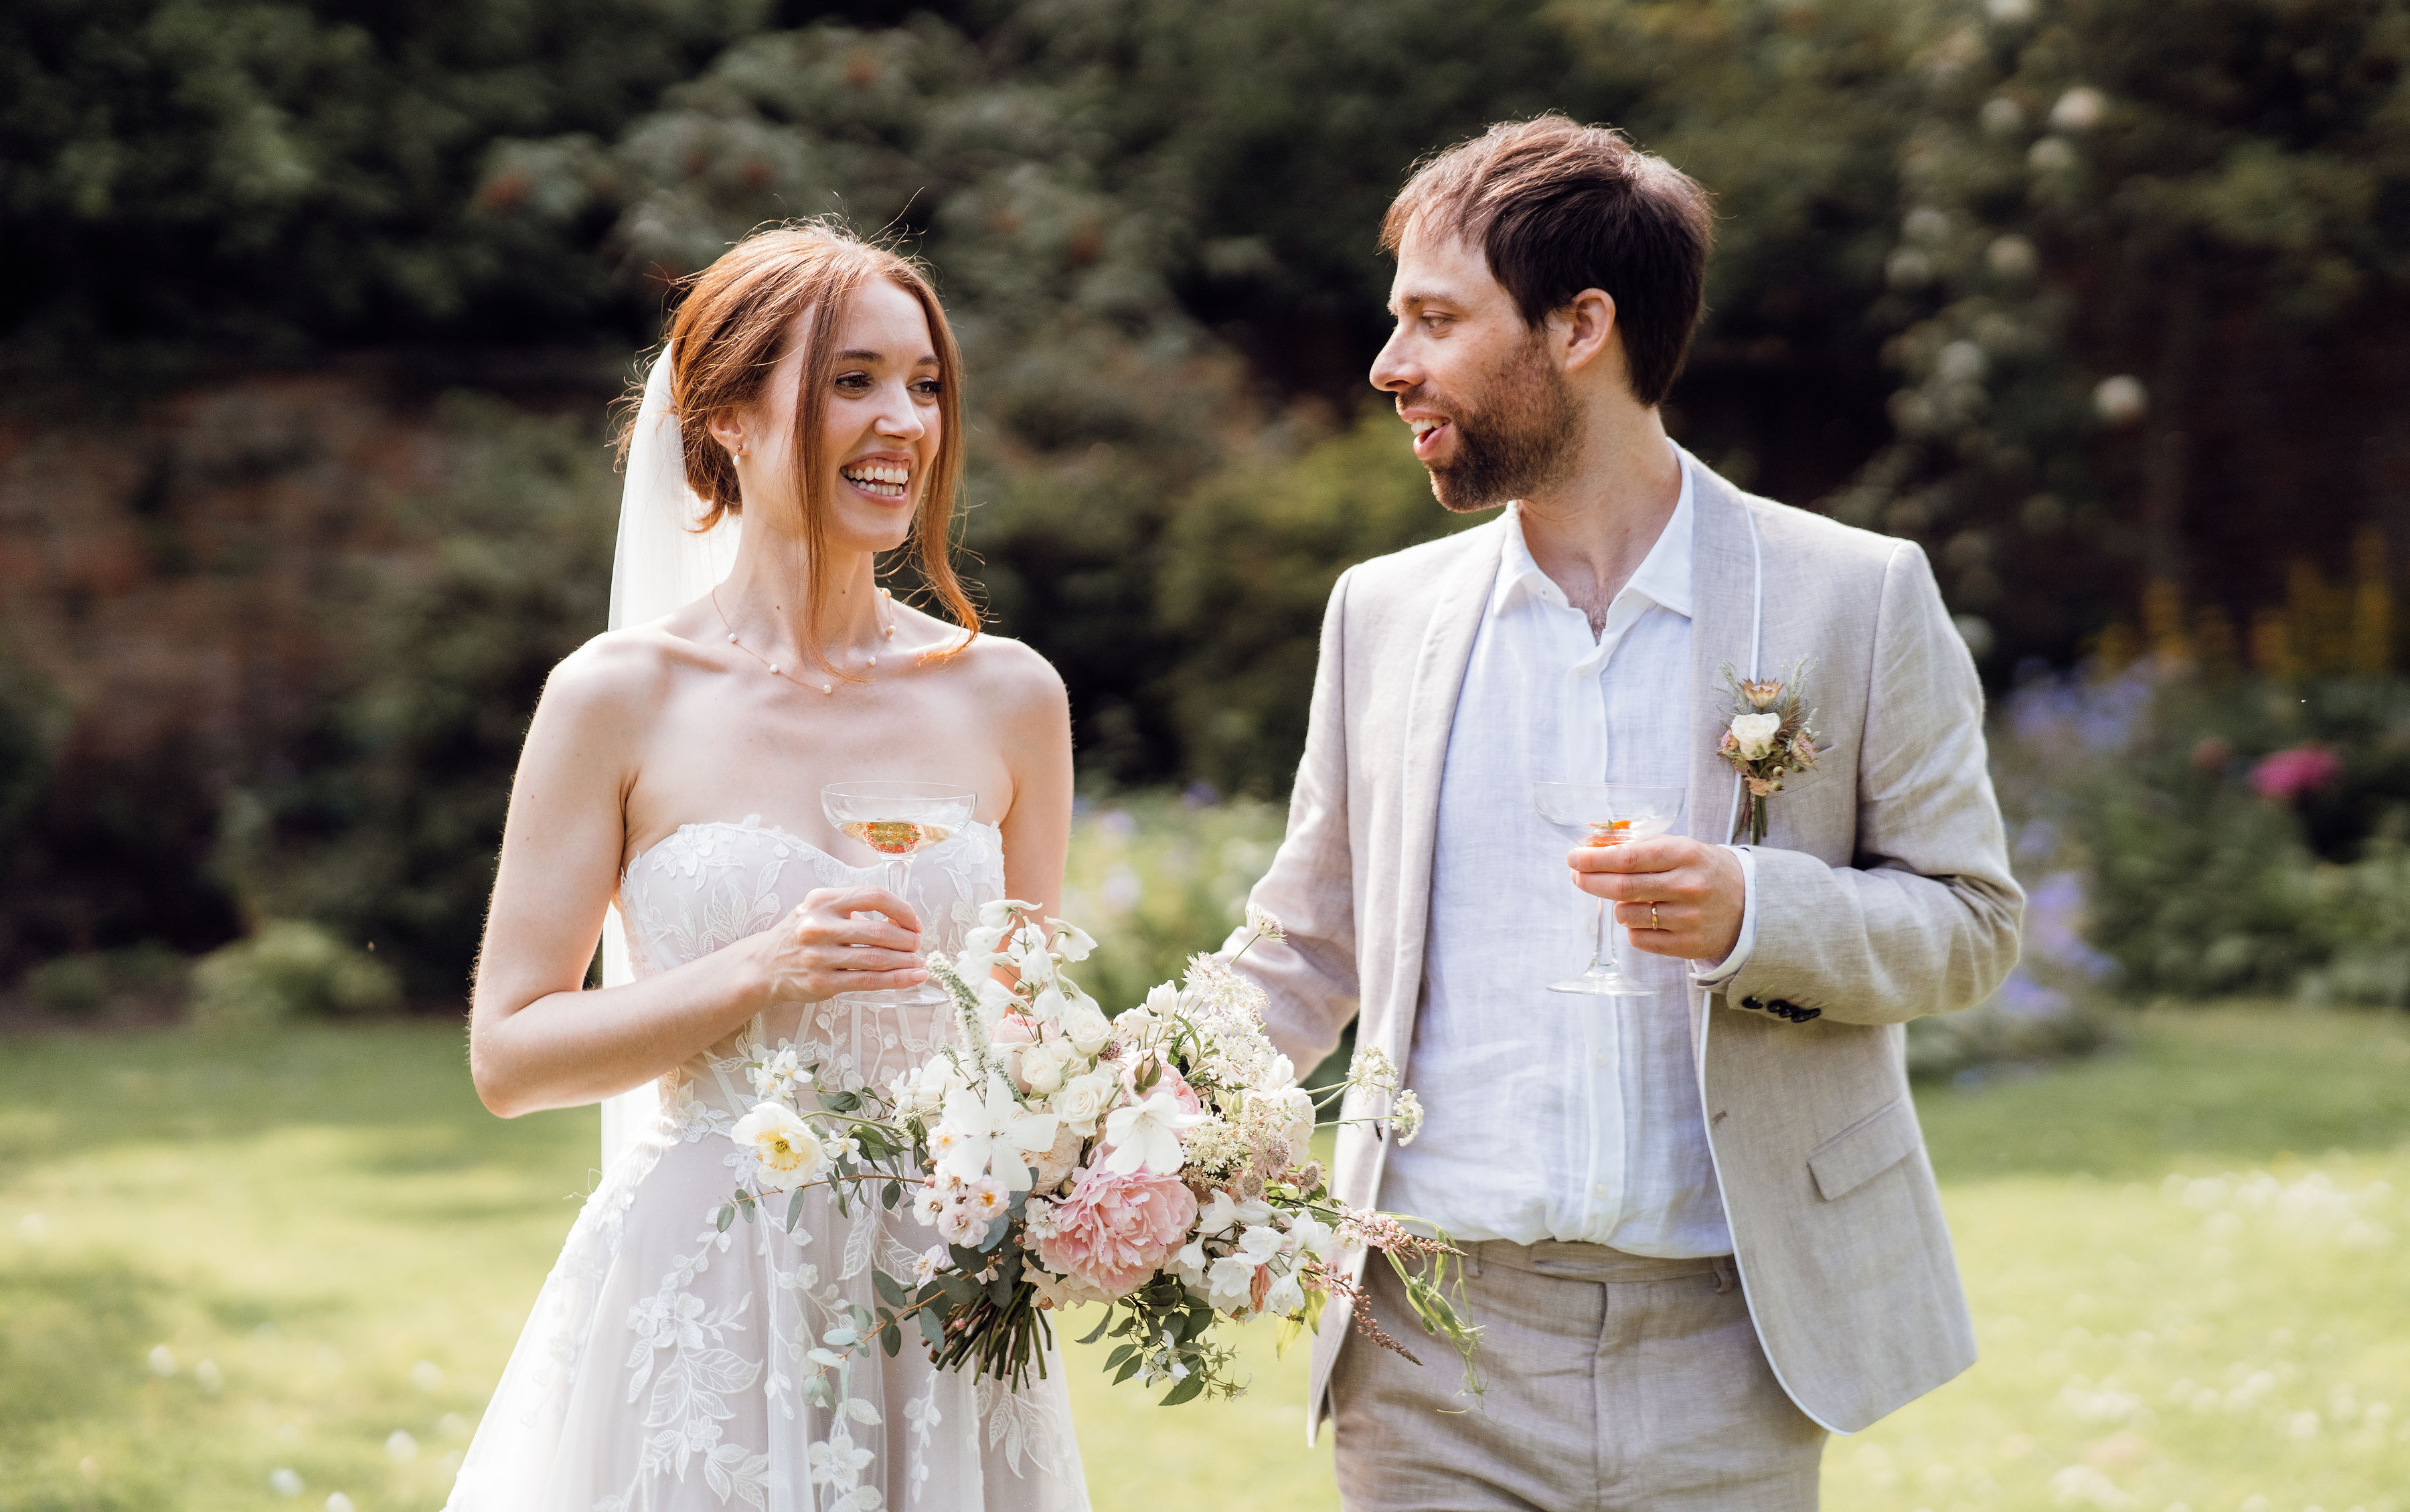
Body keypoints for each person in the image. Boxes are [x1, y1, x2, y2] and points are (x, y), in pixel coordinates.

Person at [1232, 116, 2024, 1511]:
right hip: (1431, 1353)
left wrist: (1754, 912)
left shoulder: (1854, 596)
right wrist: (1118, 1104)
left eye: (1435, 320)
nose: (1388, 365)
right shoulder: (1383, 614)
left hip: (1732, 1352)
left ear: (1580, 326)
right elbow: (1308, 941)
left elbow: (1970, 925)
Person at [448, 222, 1089, 1511]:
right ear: (728, 417)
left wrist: (1132, 1150)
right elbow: (511, 1056)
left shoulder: (1012, 696)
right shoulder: (617, 698)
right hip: (710, 1294)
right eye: (853, 380)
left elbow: (1030, 1032)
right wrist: (758, 969)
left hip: (943, 1293)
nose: (904, 420)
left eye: (924, 384)